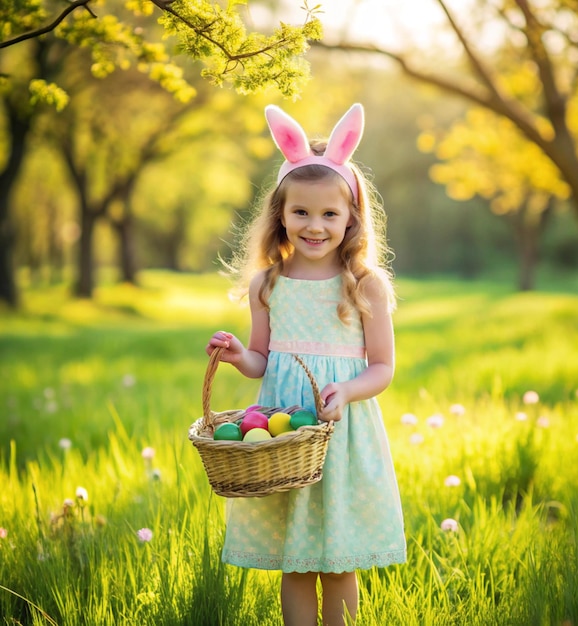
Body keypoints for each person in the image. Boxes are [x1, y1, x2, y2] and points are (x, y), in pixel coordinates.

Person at [206, 103, 406, 626]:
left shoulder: (364, 285)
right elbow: (260, 361)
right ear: (281, 215)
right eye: (301, 213)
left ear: (351, 217)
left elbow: (383, 366)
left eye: (329, 215)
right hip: (281, 434)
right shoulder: (267, 284)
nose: (314, 226)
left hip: (339, 430)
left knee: (336, 561)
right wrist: (236, 357)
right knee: (295, 561)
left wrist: (348, 391)